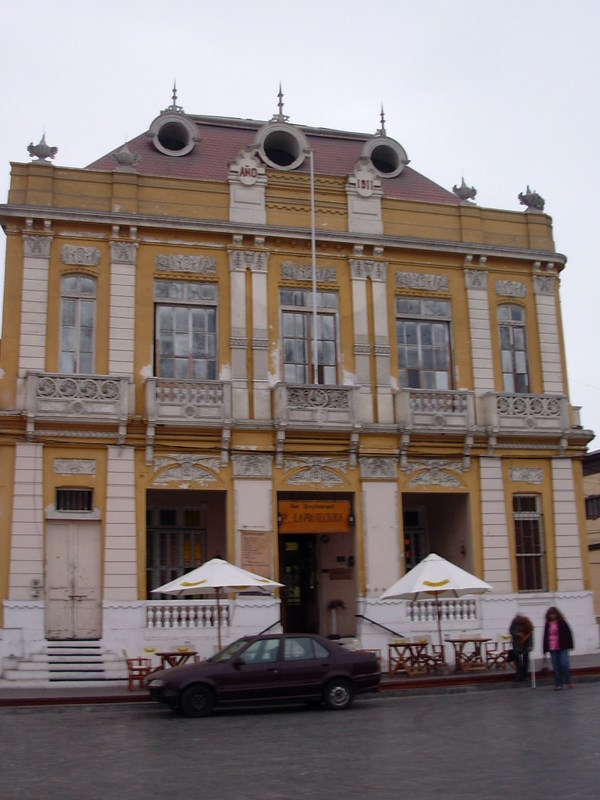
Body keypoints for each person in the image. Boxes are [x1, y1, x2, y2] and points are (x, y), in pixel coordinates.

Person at [543, 606, 574, 690]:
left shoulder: (562, 622)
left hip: (563, 645)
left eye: (553, 614)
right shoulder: (547, 624)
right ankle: (558, 684)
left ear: (557, 614)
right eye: (550, 614)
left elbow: (568, 633)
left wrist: (571, 645)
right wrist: (545, 649)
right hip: (552, 647)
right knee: (555, 666)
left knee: (564, 663)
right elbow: (545, 636)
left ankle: (569, 680)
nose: (552, 616)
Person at [509, 613, 534, 681]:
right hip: (517, 644)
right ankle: (519, 675)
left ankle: (525, 675)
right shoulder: (514, 624)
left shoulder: (527, 625)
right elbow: (511, 631)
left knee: (525, 660)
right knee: (518, 660)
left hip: (525, 644)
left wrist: (530, 645)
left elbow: (530, 636)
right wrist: (517, 634)